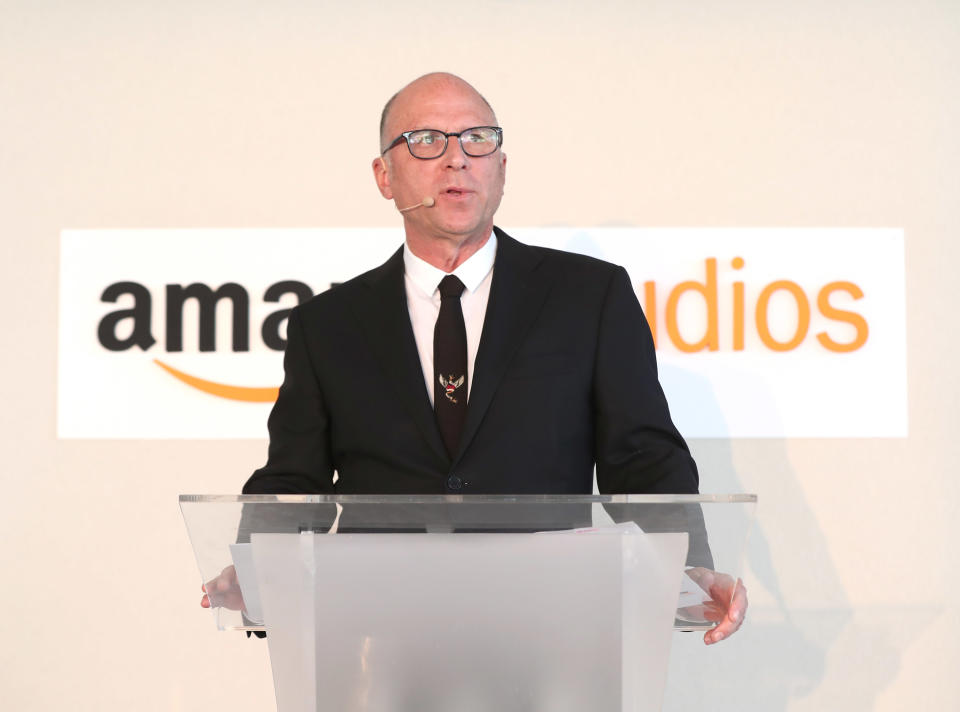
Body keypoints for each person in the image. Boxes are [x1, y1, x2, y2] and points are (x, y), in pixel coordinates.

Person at [202, 72, 746, 644]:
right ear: (384, 176)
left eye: (477, 139)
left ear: (502, 170)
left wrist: (687, 570)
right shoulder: (329, 323)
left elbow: (640, 458)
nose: (457, 159)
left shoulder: (589, 297)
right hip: (382, 637)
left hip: (553, 628)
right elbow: (295, 477)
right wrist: (261, 573)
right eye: (426, 141)